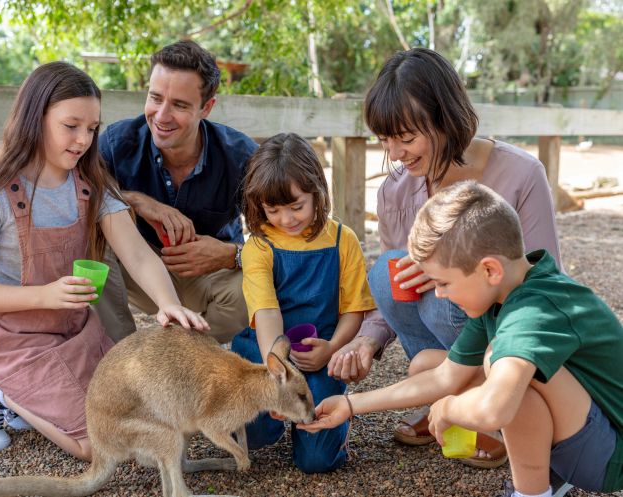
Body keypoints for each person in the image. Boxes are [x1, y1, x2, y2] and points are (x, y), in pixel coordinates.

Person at [0, 62, 208, 461]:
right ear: (35, 118)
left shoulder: (90, 185)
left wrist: (168, 303)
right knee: (98, 446)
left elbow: (136, 252)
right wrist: (45, 295)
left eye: (92, 128)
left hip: (79, 332)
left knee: (139, 418)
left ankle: (29, 398)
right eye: (71, 126)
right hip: (18, 343)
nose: (84, 140)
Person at [301, 180, 623, 497]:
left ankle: (533, 491)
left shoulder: (533, 310)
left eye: (444, 283)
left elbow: (494, 409)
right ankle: (547, 476)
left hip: (611, 456)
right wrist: (349, 404)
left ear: (489, 270)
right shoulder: (506, 292)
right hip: (588, 433)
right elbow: (444, 376)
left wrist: (448, 409)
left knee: (501, 363)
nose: (439, 294)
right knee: (434, 363)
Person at [327, 47, 562, 467]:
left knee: (444, 293)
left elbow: (546, 288)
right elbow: (393, 289)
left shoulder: (522, 174)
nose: (395, 153)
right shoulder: (396, 190)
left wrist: (448, 273)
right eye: (384, 138)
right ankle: (446, 398)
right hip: (451, 337)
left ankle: (496, 410)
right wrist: (368, 338)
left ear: (447, 119)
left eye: (406, 137)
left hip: (502, 335)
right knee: (387, 270)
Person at [230, 133, 376, 473]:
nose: (287, 219)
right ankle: (274, 421)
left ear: (317, 192)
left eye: (297, 206)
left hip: (321, 351)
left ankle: (332, 431)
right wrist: (278, 374)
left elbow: (354, 309)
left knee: (317, 461)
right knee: (252, 434)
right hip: (267, 352)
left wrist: (333, 348)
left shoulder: (343, 239)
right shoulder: (259, 246)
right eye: (273, 209)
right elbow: (266, 314)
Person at [96, 40, 258, 344]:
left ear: (206, 108)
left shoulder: (243, 156)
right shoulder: (117, 143)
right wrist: (137, 202)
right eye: (155, 98)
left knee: (255, 288)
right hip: (140, 269)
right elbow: (78, 194)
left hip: (212, 278)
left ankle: (174, 353)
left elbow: (284, 242)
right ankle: (120, 355)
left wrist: (230, 254)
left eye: (180, 105)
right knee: (90, 238)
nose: (161, 115)